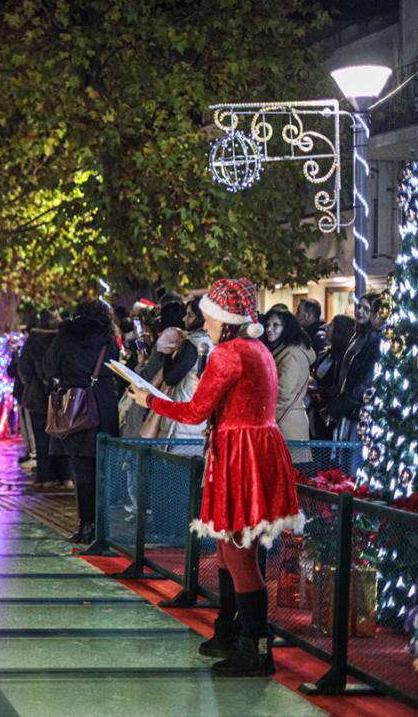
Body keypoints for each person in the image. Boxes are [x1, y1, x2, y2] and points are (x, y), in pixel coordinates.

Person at [130, 278, 301, 677]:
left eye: (208, 318)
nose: (203, 325)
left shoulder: (229, 354)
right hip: (255, 451)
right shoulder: (257, 349)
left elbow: (195, 412)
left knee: (238, 551)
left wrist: (149, 399)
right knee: (231, 550)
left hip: (240, 456)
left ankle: (254, 647)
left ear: (226, 321)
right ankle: (233, 632)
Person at [43, 298, 120, 544]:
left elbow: (50, 368)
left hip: (75, 408)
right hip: (102, 406)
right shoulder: (107, 337)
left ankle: (84, 525)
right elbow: (115, 367)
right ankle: (100, 529)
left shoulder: (65, 335)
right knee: (102, 472)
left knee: (82, 473)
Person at [327, 291, 386, 449]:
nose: (359, 311)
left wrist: (343, 403)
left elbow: (367, 380)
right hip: (347, 405)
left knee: (353, 457)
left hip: (357, 409)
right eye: (359, 307)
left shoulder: (375, 340)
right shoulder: (357, 336)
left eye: (366, 309)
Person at [263, 309, 316, 463]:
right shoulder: (287, 351)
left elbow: (283, 392)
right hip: (289, 420)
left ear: (286, 328)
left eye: (276, 325)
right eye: (267, 325)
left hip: (286, 424)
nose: (269, 329)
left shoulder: (290, 354)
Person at [16, 312, 60, 482]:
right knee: (61, 435)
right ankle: (63, 476)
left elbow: (23, 368)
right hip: (59, 394)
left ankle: (45, 476)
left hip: (36, 396)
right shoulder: (61, 338)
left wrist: (33, 383)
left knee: (41, 438)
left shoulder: (33, 339)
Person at [309, 315, 356, 440]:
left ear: (339, 332)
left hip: (330, 413)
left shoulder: (343, 359)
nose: (326, 328)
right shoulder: (326, 354)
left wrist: (318, 390)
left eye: (331, 326)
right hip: (316, 410)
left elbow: (338, 387)